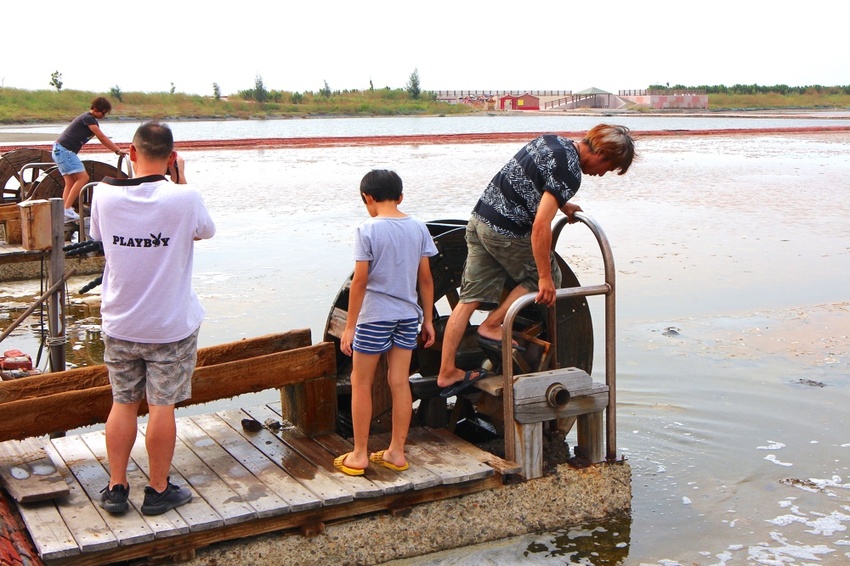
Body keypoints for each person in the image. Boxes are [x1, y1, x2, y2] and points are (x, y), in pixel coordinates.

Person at [436, 124, 636, 397]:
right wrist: (543, 277)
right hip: (506, 232)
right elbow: (541, 225)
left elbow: (534, 181)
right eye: (608, 167)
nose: (601, 174)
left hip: (480, 221)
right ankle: (492, 326)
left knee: (467, 301)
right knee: (548, 276)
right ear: (602, 152)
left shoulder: (553, 141)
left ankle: (447, 372)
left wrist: (562, 204)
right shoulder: (570, 172)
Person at [91, 122, 216, 515]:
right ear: (173, 157)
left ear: (131, 152)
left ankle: (116, 487)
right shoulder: (185, 196)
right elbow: (204, 232)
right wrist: (180, 180)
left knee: (123, 402)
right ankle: (158, 490)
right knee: (162, 406)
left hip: (120, 321)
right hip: (169, 325)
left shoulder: (103, 194)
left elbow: (101, 237)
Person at [334, 169, 437, 476]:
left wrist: (349, 327)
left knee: (361, 382)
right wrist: (427, 320)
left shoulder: (367, 229)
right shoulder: (418, 227)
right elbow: (426, 278)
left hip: (375, 316)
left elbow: (359, 282)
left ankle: (359, 455)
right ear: (400, 197)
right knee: (399, 381)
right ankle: (396, 452)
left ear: (368, 198)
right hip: (407, 316)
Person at [52, 97, 127, 223]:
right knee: (83, 178)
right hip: (65, 151)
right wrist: (117, 150)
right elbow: (102, 137)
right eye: (103, 113)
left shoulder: (87, 118)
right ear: (96, 109)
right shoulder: (88, 119)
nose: (103, 116)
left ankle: (64, 210)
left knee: (70, 182)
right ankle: (67, 208)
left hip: (58, 150)